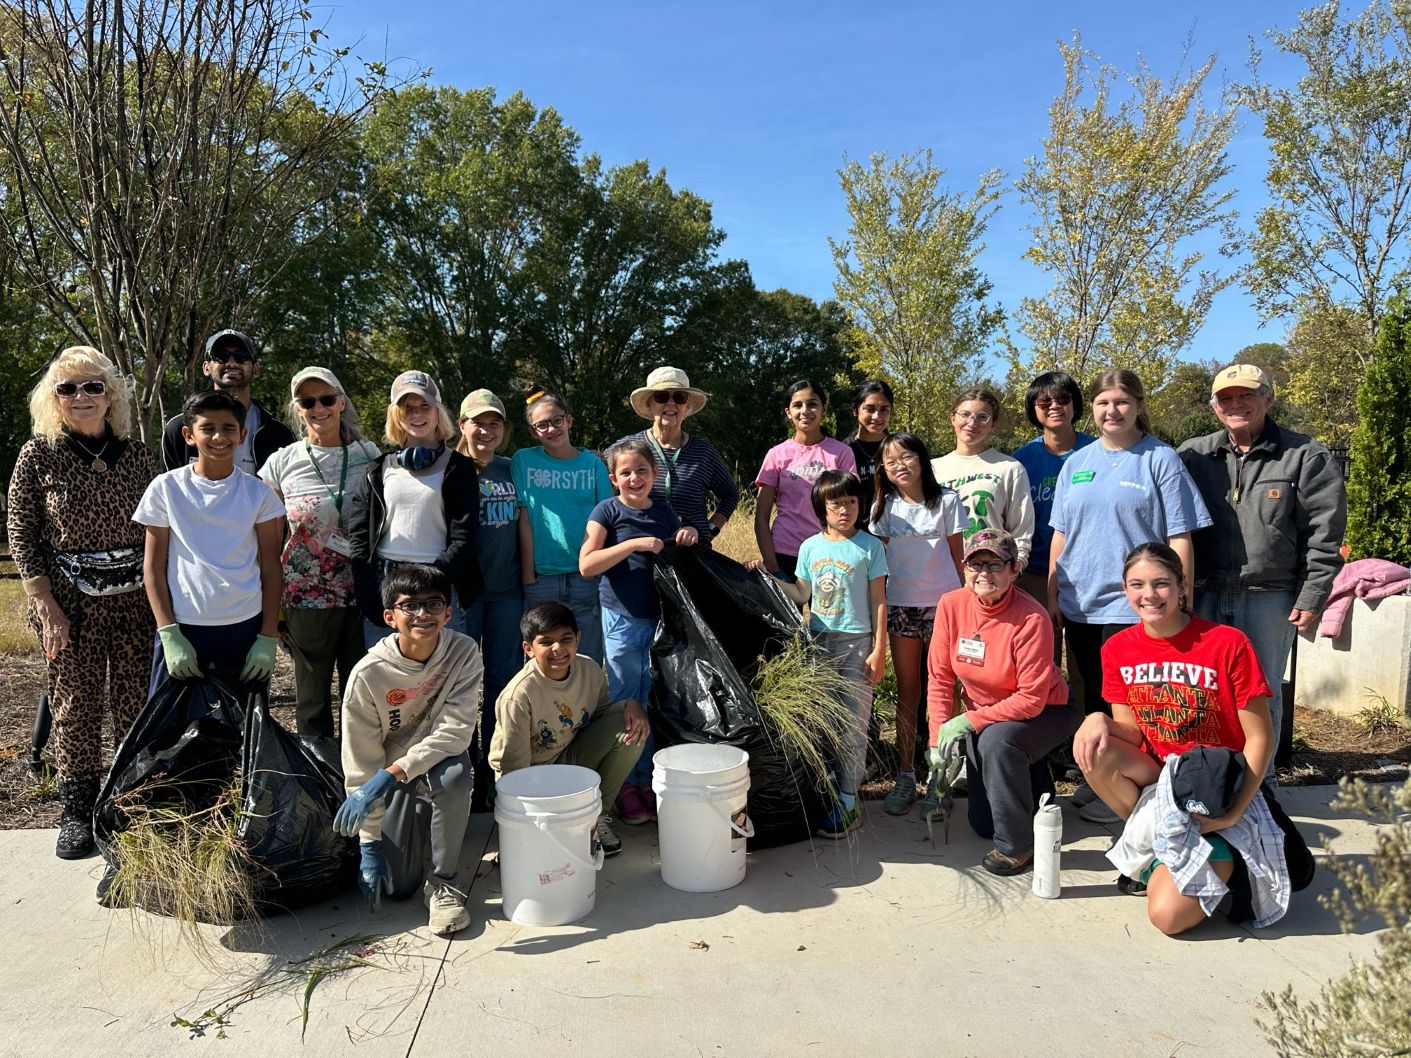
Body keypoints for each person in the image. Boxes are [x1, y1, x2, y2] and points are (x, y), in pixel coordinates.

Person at [1073, 542, 1275, 935]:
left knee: (1167, 917)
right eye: (1137, 584)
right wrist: (1096, 717)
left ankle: (1224, 855)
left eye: (1161, 583)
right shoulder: (1118, 648)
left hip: (1216, 786)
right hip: (1163, 782)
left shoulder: (1227, 644)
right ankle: (1158, 847)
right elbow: (1131, 732)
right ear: (1125, 588)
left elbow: (1259, 737)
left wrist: (1233, 811)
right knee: (1094, 751)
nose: (1149, 595)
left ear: (1183, 586)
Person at [7, 347, 159, 858]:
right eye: (67, 389)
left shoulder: (138, 455)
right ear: (53, 400)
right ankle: (77, 811)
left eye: (93, 386)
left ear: (110, 394)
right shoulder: (38, 456)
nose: (81, 397)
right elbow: (21, 531)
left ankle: (131, 804)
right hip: (68, 605)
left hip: (137, 601)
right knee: (75, 706)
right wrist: (44, 603)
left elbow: (162, 529)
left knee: (136, 704)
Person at [1048, 369, 1211, 821]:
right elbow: (1060, 537)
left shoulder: (1159, 459)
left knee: (1135, 706)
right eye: (1103, 403)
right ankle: (1097, 777)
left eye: (1121, 402)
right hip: (1079, 603)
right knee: (1089, 700)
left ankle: (1137, 790)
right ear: (1093, 410)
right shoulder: (1077, 464)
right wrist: (1050, 597)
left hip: (1134, 606)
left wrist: (1180, 595)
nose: (1111, 411)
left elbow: (1179, 536)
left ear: (1139, 406)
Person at [1178, 364, 1347, 778]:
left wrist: (1312, 596)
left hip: (1270, 597)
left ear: (1268, 399)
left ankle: (1260, 787)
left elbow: (1324, 535)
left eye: (1246, 396)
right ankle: (1209, 780)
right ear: (1215, 406)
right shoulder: (1193, 455)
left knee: (1259, 692)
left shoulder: (1304, 455)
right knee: (1203, 691)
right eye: (1226, 398)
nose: (1236, 405)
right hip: (1204, 592)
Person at [333, 564, 483, 937]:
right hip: (389, 777)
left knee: (454, 778)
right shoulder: (368, 676)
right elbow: (361, 761)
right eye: (410, 606)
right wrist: (369, 843)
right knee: (399, 888)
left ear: (449, 613)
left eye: (434, 604)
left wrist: (394, 772)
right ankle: (419, 812)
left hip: (426, 762)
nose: (423, 615)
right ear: (389, 617)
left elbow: (456, 732)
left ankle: (444, 883)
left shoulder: (463, 652)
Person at [925, 529, 1081, 875]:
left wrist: (968, 721)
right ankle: (1037, 791)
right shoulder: (951, 605)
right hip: (992, 717)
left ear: (1014, 570)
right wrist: (937, 740)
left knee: (997, 744)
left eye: (995, 565)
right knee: (982, 823)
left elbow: (1030, 699)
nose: (984, 573)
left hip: (1046, 710)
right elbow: (939, 679)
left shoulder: (1031, 618)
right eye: (975, 564)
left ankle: (1017, 847)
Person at [750, 470, 887, 839]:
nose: (845, 510)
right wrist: (766, 576)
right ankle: (826, 789)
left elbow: (878, 601)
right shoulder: (811, 547)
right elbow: (800, 594)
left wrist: (879, 649)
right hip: (819, 643)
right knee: (824, 720)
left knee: (854, 722)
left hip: (857, 643)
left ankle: (848, 797)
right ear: (821, 508)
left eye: (852, 502)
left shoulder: (870, 547)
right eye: (836, 504)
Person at [580, 438, 699, 824]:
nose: (635, 478)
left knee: (653, 700)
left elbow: (683, 546)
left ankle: (649, 780)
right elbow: (587, 564)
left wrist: (688, 535)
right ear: (613, 479)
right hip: (622, 620)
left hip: (661, 623)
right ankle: (626, 785)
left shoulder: (664, 512)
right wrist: (631, 544)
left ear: (655, 475)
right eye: (626, 472)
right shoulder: (606, 512)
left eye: (642, 471)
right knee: (626, 702)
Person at [258, 368, 381, 737]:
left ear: (341, 403)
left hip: (361, 594)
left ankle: (356, 779)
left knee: (359, 694)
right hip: (304, 597)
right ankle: (318, 781)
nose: (319, 408)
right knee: (311, 700)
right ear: (298, 409)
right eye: (308, 401)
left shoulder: (369, 455)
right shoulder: (282, 462)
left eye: (327, 399)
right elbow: (264, 530)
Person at [135, 391, 286, 691]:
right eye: (208, 428)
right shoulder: (165, 489)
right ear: (189, 435)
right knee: (174, 733)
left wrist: (268, 636)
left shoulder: (260, 495)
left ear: (243, 435)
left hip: (244, 627)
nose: (219, 436)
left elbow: (271, 567)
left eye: (228, 428)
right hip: (184, 626)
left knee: (243, 733)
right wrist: (169, 633)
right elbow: (152, 567)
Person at [488, 602, 650, 858]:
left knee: (629, 728)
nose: (558, 649)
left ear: (578, 638)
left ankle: (597, 816)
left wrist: (631, 705)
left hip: (569, 758)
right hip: (531, 774)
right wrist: (520, 828)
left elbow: (600, 716)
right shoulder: (519, 696)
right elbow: (513, 767)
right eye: (546, 642)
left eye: (566, 639)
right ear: (528, 649)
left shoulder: (589, 669)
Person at [868, 431, 965, 816]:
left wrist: (966, 605)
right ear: (884, 471)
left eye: (906, 457)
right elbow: (879, 568)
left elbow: (960, 560)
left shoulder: (948, 502)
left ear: (922, 460)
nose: (900, 466)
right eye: (891, 462)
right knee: (909, 691)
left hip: (944, 607)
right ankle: (906, 773)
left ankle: (942, 775)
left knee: (945, 692)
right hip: (901, 607)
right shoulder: (883, 509)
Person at [347, 371, 482, 646]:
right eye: (408, 407)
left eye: (424, 406)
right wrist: (367, 595)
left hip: (440, 584)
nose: (417, 414)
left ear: (438, 412)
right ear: (396, 414)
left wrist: (429, 584)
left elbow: (464, 537)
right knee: (389, 685)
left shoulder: (460, 468)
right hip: (387, 586)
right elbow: (358, 538)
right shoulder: (377, 468)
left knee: (441, 683)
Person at [454, 388, 523, 810]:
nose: (485, 429)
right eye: (477, 422)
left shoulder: (512, 469)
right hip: (463, 595)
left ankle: (493, 773)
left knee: (501, 686)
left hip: (507, 593)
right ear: (461, 425)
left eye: (494, 422)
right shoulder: (449, 468)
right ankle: (461, 773)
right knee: (462, 687)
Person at [512, 386, 613, 663]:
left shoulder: (593, 465)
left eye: (556, 420)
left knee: (587, 660)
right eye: (542, 425)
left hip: (585, 578)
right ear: (533, 431)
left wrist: (591, 571)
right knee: (542, 661)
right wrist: (528, 578)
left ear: (568, 420)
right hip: (541, 578)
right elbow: (526, 519)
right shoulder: (524, 460)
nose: (551, 428)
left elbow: (603, 521)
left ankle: (588, 709)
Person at [1012, 371, 1096, 696]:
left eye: (1063, 399)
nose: (1054, 406)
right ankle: (1045, 737)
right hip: (1033, 573)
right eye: (1044, 401)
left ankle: (1082, 737)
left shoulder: (1097, 451)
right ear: (1034, 409)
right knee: (1037, 661)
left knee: (1083, 663)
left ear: (1075, 404)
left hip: (1085, 575)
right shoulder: (1022, 460)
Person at [616, 366, 739, 546]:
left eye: (679, 398)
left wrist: (709, 529)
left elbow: (730, 494)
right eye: (662, 396)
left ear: (686, 407)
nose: (671, 403)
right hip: (639, 557)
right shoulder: (626, 449)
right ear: (649, 405)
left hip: (691, 558)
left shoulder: (703, 452)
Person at [754, 379, 857, 578]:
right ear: (788, 412)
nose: (805, 410)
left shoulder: (842, 453)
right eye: (797, 405)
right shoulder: (776, 455)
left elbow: (851, 506)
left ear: (824, 409)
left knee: (829, 609)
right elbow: (761, 516)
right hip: (785, 552)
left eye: (812, 404)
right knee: (788, 611)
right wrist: (771, 563)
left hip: (830, 550)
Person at [160, 329, 293, 474]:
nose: (231, 363)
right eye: (220, 356)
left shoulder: (279, 433)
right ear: (206, 367)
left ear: (256, 368)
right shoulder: (178, 429)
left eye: (242, 357)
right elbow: (170, 489)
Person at [929, 388, 1034, 563]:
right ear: (952, 418)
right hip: (941, 574)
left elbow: (1021, 530)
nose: (972, 423)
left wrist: (1015, 567)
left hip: (988, 573)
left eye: (982, 417)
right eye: (965, 414)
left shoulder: (1010, 468)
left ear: (993, 423)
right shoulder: (932, 469)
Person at [845, 379, 895, 495]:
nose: (877, 416)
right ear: (855, 410)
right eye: (870, 409)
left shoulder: (899, 448)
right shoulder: (844, 450)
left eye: (884, 410)